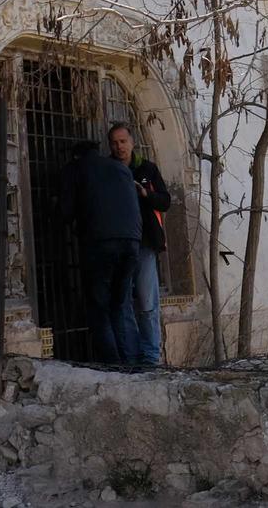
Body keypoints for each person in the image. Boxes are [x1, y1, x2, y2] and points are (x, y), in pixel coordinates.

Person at [56, 138, 141, 365]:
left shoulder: (74, 169)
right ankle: (132, 364)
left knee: (99, 307)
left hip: (101, 244)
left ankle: (113, 366)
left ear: (75, 155)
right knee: (120, 305)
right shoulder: (121, 169)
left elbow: (65, 211)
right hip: (132, 242)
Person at [108, 122, 171, 367]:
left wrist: (146, 194)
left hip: (144, 245)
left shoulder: (147, 169)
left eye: (123, 141)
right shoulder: (108, 170)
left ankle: (151, 357)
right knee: (122, 303)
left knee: (146, 302)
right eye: (115, 142)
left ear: (132, 142)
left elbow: (165, 202)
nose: (119, 146)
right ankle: (133, 357)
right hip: (118, 246)